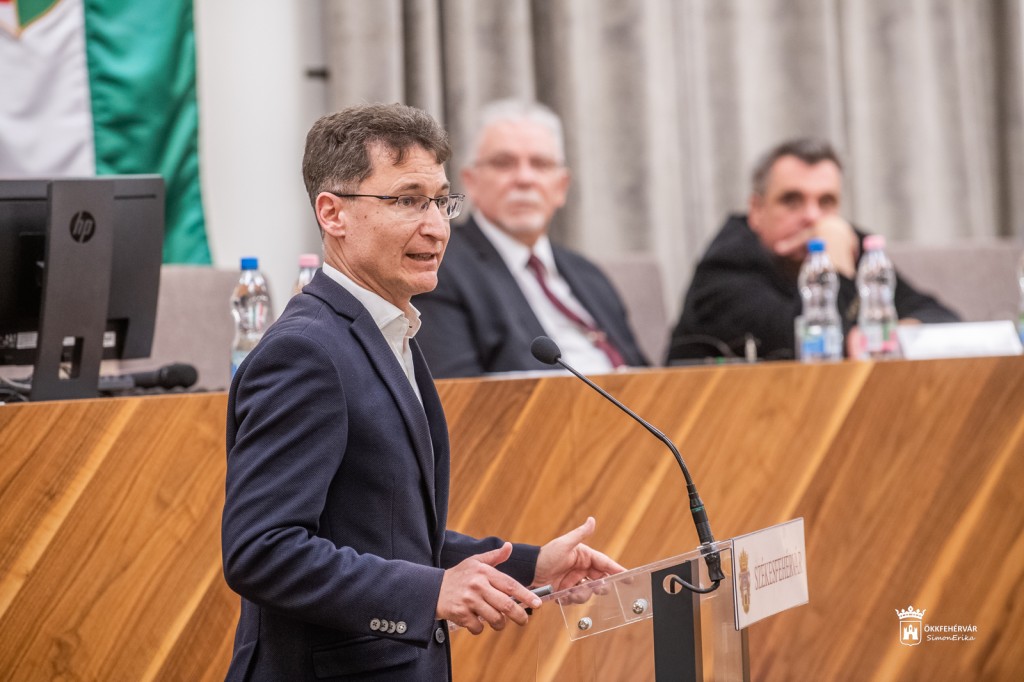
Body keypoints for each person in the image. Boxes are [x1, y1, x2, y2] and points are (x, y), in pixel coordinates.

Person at [221, 103, 624, 681]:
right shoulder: (306, 351)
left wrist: (533, 564)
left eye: (440, 201)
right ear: (333, 213)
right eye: (407, 201)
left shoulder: (389, 332)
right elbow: (261, 551)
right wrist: (430, 592)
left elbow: (389, 533)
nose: (435, 226)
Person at [666, 137, 959, 362]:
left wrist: (890, 334)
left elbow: (943, 320)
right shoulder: (725, 267)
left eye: (826, 202)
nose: (812, 217)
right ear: (756, 210)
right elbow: (810, 352)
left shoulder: (848, 242)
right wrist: (834, 265)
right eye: (792, 201)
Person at [412, 99, 648, 378]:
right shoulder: (439, 266)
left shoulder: (590, 275)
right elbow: (458, 393)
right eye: (503, 163)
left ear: (561, 186)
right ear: (471, 182)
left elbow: (648, 375)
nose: (524, 179)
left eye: (540, 164)